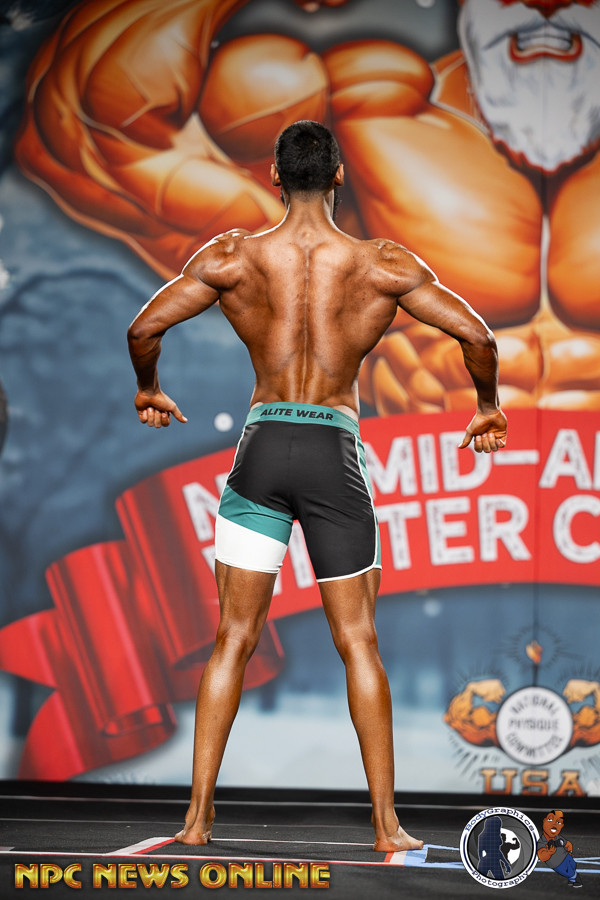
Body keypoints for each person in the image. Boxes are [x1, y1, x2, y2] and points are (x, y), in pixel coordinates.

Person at [127, 120, 508, 851]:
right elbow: (478, 337)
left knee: (232, 638)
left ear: (274, 175)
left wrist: (148, 388)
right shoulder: (382, 263)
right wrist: (487, 404)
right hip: (333, 452)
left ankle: (197, 821)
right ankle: (388, 828)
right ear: (338, 175)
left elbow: (143, 330)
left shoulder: (233, 256)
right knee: (358, 640)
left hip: (263, 450)